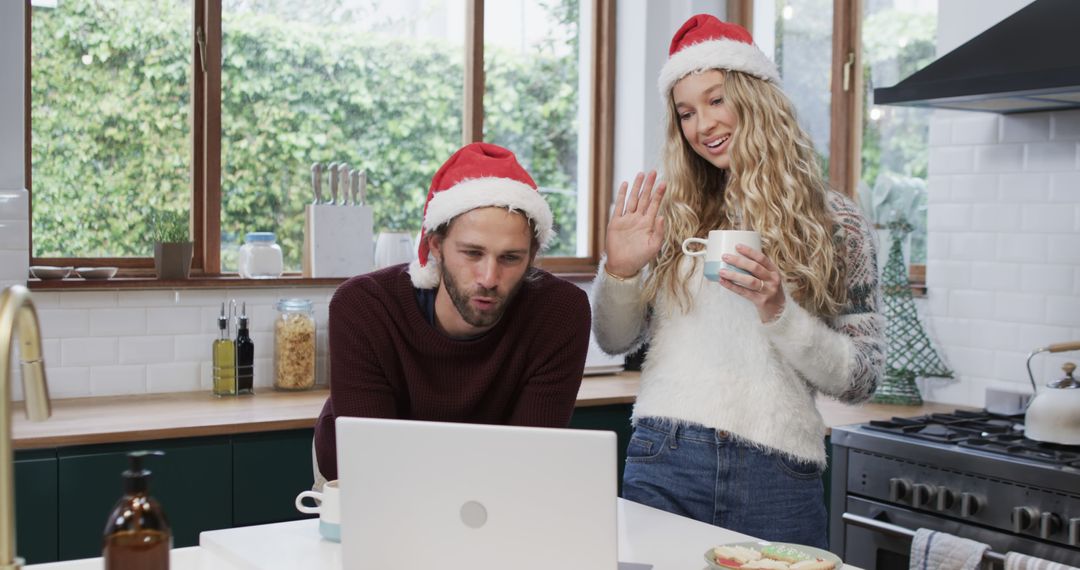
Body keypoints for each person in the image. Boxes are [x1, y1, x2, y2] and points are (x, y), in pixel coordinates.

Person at [591, 14, 884, 548]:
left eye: (716, 99)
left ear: (755, 97)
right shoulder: (672, 212)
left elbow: (861, 379)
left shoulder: (835, 221)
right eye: (686, 112)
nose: (702, 125)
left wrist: (779, 311)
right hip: (667, 455)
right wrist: (621, 270)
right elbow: (615, 339)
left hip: (779, 474)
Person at [314, 142, 592, 482]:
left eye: (510, 258)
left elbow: (528, 464)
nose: (489, 278)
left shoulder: (559, 313)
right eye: (472, 253)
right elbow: (370, 467)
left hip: (495, 490)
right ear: (436, 246)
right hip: (361, 484)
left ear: (531, 256)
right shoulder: (364, 307)